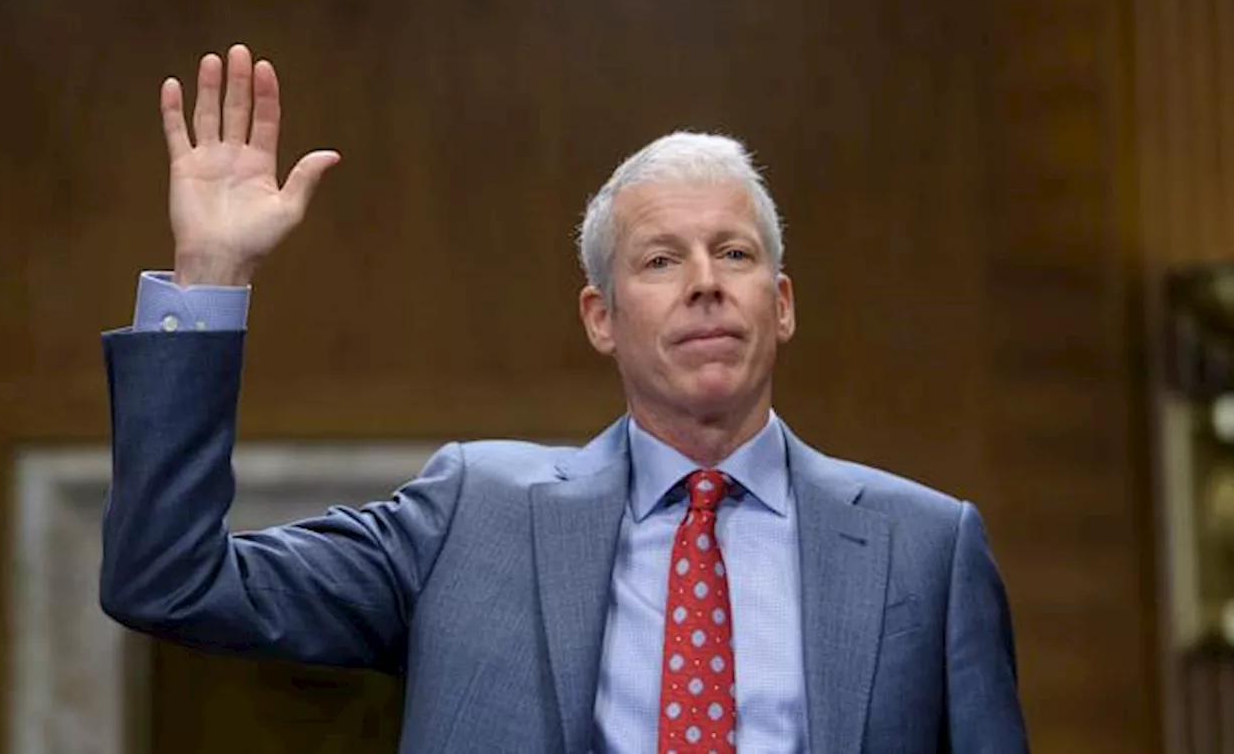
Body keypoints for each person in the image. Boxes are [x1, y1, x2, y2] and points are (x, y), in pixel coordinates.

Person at [100, 43, 1029, 753]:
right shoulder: (471, 517)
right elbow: (172, 579)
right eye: (661, 260)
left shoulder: (927, 550)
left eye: (735, 254)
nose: (705, 281)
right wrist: (209, 275)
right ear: (602, 317)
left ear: (779, 304)